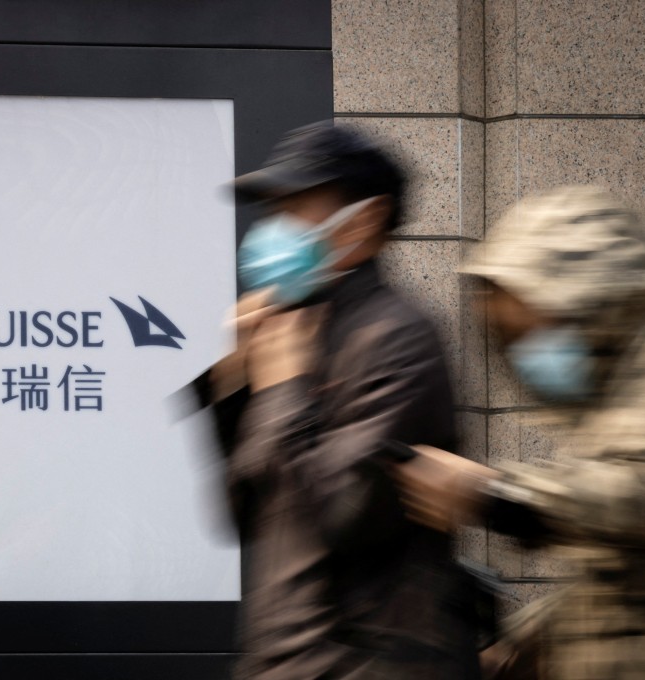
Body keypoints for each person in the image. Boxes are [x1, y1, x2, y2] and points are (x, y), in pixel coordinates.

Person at [205, 122, 481, 680]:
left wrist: (284, 390)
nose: (275, 229)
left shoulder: (400, 337)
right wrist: (234, 384)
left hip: (362, 664)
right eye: (274, 211)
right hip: (286, 659)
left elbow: (350, 512)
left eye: (299, 206)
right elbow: (242, 513)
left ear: (366, 219)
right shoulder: (292, 330)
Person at [394, 186, 645, 679]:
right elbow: (629, 579)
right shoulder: (618, 392)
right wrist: (527, 642)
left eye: (538, 327)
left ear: (594, 304)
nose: (528, 352)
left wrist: (493, 494)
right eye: (511, 337)